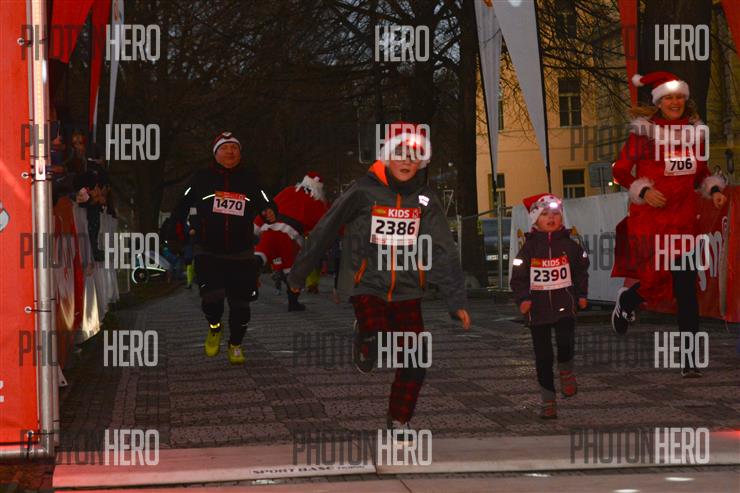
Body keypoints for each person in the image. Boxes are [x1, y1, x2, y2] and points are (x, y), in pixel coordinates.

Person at [287, 122, 471, 440]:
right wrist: (298, 275)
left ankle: (399, 419)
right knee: (378, 331)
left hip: (408, 289)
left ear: (422, 162)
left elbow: (444, 249)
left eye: (413, 156)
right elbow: (325, 229)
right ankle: (366, 336)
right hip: (366, 283)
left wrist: (456, 301)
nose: (406, 161)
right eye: (399, 154)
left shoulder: (426, 199)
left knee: (415, 359)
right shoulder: (362, 192)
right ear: (386, 156)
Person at [610, 72, 728, 377]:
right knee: (655, 282)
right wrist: (644, 192)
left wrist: (714, 190)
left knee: (686, 289)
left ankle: (689, 361)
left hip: (684, 222)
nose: (675, 103)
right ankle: (629, 300)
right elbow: (620, 170)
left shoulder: (694, 134)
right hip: (651, 222)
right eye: (668, 98)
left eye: (679, 97)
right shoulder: (644, 134)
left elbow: (701, 173)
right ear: (659, 102)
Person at [170, 131, 276, 365]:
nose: (230, 152)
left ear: (240, 153)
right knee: (212, 299)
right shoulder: (201, 178)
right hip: (208, 250)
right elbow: (181, 205)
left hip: (241, 252)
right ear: (215, 153)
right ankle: (215, 327)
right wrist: (179, 230)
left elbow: (266, 201)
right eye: (225, 148)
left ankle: (235, 344)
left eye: (234, 148)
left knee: (241, 305)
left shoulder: (250, 178)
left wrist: (269, 211)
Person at [510, 194, 589, 419]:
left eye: (555, 214)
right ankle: (548, 399)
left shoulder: (570, 246)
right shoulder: (528, 249)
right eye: (544, 214)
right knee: (543, 357)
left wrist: (582, 295)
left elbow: (581, 271)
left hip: (565, 306)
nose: (551, 218)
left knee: (565, 342)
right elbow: (518, 278)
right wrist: (523, 299)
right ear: (535, 220)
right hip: (537, 311)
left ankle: (566, 370)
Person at [254, 172, 329, 311]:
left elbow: (269, 207)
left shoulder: (288, 190)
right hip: (289, 237)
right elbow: (322, 227)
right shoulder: (318, 203)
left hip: (269, 229)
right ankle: (293, 302)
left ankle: (248, 274)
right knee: (291, 271)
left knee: (260, 255)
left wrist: (256, 226)